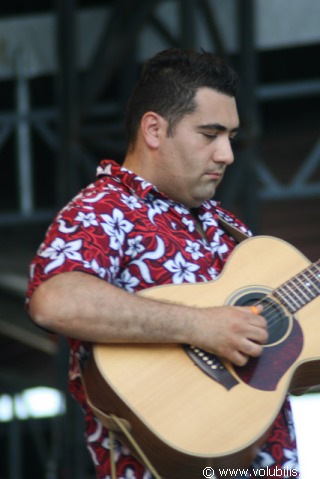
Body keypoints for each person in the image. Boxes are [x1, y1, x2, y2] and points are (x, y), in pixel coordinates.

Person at [26, 48, 299, 479]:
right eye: (210, 134)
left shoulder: (227, 225)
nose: (227, 154)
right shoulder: (104, 208)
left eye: (230, 136)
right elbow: (56, 301)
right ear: (154, 129)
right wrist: (201, 326)